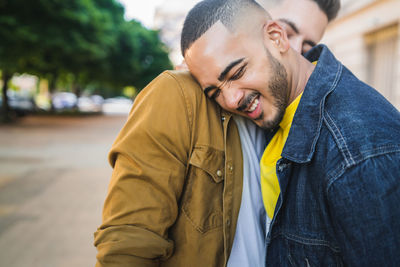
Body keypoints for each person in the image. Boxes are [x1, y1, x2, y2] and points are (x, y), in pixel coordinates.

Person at [94, 0, 340, 266]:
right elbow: (129, 242)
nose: (291, 49)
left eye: (307, 47)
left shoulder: (293, 118)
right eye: (288, 32)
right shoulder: (178, 95)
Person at [182, 0, 400, 266]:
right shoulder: (276, 106)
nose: (231, 100)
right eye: (215, 92)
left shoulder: (358, 152)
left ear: (276, 37)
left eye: (237, 72)